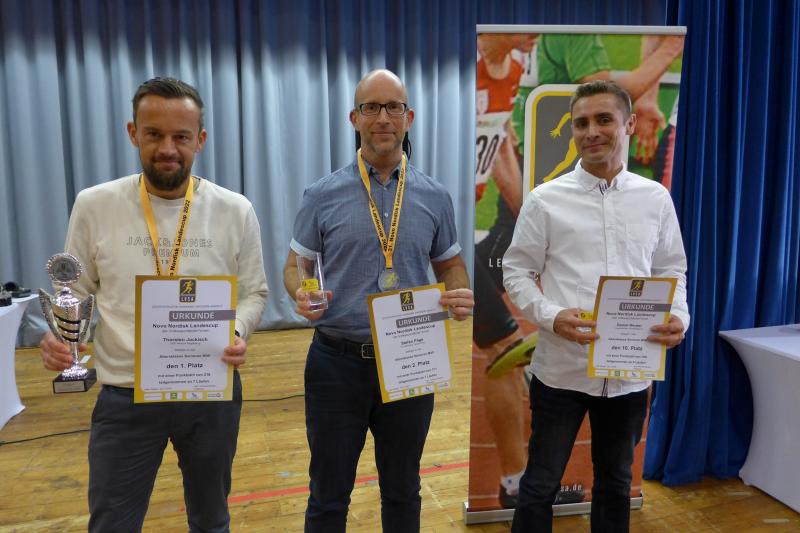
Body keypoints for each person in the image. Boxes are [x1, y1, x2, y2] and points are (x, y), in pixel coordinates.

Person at [39, 77, 268, 532]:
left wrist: (237, 330)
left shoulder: (235, 209)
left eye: (181, 136)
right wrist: (61, 337)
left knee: (211, 520)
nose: (167, 148)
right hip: (125, 395)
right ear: (133, 133)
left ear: (200, 139)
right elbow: (75, 292)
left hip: (208, 392)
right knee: (112, 523)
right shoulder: (95, 205)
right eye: (154, 134)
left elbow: (254, 293)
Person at [282, 69, 474, 533]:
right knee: (328, 495)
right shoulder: (321, 195)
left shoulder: (435, 196)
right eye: (371, 107)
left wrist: (458, 293)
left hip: (410, 359)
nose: (383, 117)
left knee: (403, 490)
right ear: (355, 118)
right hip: (336, 365)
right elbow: (295, 266)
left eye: (393, 107)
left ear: (409, 117)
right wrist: (303, 292)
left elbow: (450, 265)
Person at [502, 80, 690, 532]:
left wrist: (680, 315)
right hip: (561, 370)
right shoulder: (545, 200)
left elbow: (670, 269)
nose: (591, 132)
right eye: (581, 123)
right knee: (539, 484)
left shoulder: (655, 198)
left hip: (629, 373)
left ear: (629, 124)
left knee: (616, 483)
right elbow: (516, 271)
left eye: (604, 119)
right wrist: (551, 317)